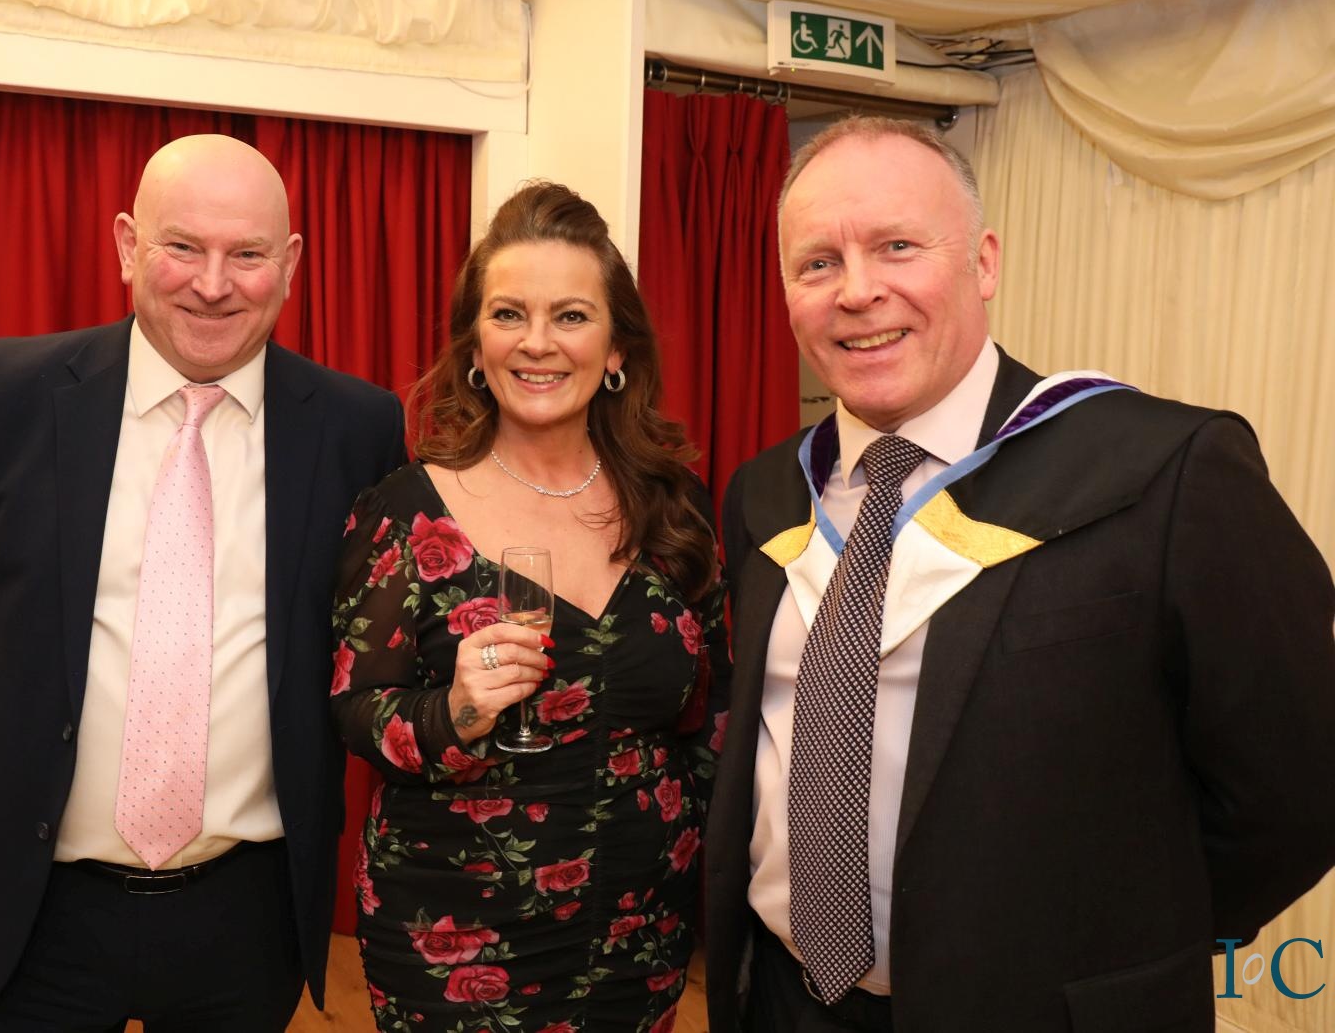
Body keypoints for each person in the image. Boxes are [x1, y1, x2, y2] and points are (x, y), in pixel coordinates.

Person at [705, 116, 1335, 1031]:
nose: (858, 290)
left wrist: (1127, 945)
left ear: (985, 262)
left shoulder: (1168, 472)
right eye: (818, 263)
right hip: (785, 1000)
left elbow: (1298, 786)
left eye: (897, 246)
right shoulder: (765, 493)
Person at [0, 134, 406, 1031]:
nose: (213, 284)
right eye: (182, 246)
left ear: (290, 265)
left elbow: (362, 636)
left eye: (247, 254)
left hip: (245, 914)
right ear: (127, 244)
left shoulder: (357, 428)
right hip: (34, 903)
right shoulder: (2, 395)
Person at [330, 182, 729, 1032]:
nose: (537, 342)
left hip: (640, 933)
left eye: (571, 316)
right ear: (476, 344)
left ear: (616, 347)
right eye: (509, 314)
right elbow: (355, 709)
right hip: (456, 938)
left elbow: (714, 716)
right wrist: (455, 711)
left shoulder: (676, 509)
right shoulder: (407, 509)